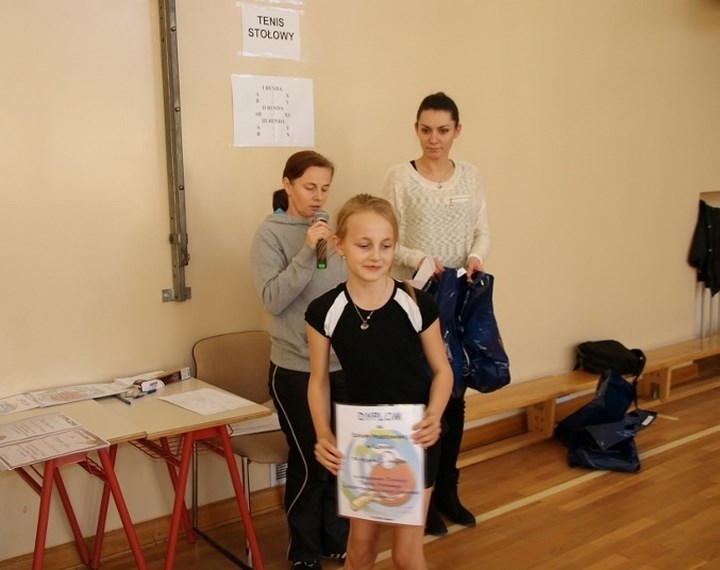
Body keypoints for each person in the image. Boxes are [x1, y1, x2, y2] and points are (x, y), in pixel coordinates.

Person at [306, 194, 453, 570]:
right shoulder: (324, 311)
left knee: (406, 555)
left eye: (386, 246)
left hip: (415, 438)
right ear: (339, 244)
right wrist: (323, 433)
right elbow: (318, 382)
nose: (376, 255)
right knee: (360, 552)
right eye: (364, 245)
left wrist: (434, 415)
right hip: (362, 441)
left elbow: (443, 371)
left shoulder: (417, 303)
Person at [381, 92, 491, 536]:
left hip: (459, 299)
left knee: (456, 397)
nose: (434, 139)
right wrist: (422, 260)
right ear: (416, 129)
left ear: (457, 131)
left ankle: (448, 491)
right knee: (423, 398)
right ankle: (420, 497)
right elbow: (388, 240)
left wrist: (477, 257)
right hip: (415, 299)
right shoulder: (399, 178)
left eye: (443, 130)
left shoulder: (471, 175)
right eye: (426, 130)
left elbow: (482, 230)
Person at [250, 150, 349, 570]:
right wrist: (308, 251)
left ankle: (335, 540)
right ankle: (304, 551)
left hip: (340, 366)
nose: (318, 196)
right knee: (311, 460)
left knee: (339, 458)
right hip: (295, 369)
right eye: (309, 187)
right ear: (288, 184)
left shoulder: (329, 228)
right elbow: (273, 299)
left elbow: (344, 293)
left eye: (325, 188)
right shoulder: (269, 235)